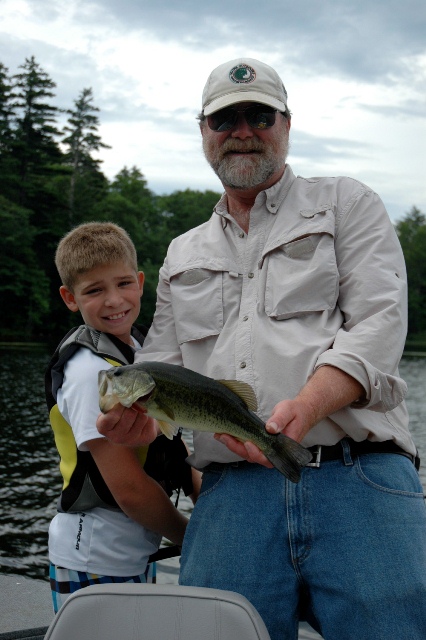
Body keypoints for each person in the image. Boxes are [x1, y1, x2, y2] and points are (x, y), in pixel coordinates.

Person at [97, 59, 426, 639]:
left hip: (361, 477)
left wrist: (309, 404)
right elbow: (165, 369)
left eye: (259, 115)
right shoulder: (181, 251)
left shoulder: (348, 204)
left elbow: (378, 326)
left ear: (287, 124)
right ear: (204, 131)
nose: (242, 130)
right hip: (231, 492)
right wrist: (143, 426)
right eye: (225, 118)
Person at [46, 221, 200, 613]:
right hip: (94, 561)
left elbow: (171, 442)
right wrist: (194, 537)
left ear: (142, 281)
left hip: (132, 554)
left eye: (124, 284)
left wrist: (213, 509)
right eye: (94, 290)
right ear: (69, 297)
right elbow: (129, 489)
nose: (114, 300)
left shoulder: (139, 349)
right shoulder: (88, 374)